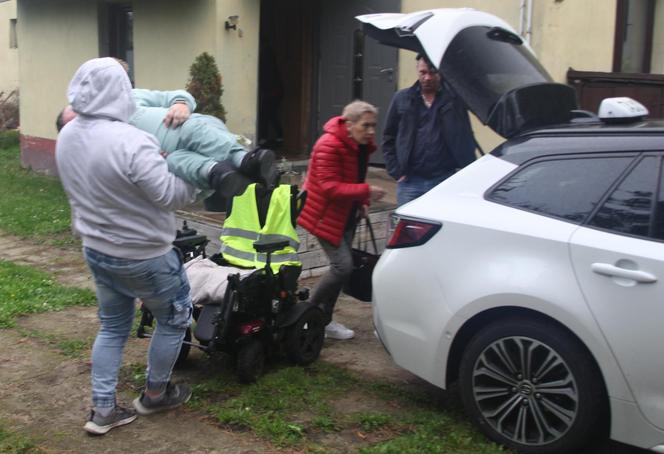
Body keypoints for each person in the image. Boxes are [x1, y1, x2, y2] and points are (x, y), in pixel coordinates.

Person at [56, 57, 198, 435]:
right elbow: (170, 195)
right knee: (173, 319)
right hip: (146, 256)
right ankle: (155, 395)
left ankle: (103, 410)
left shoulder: (68, 134)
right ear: (121, 90)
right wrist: (197, 177)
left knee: (113, 328)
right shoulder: (133, 141)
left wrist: (155, 166)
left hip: (97, 250)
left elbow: (112, 181)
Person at [57, 88, 277, 198]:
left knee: (190, 130)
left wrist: (181, 104)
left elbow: (174, 94)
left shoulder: (128, 98)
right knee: (175, 161)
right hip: (174, 159)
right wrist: (147, 160)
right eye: (76, 124)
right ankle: (221, 174)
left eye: (79, 114)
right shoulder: (101, 148)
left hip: (193, 129)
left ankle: (246, 160)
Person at [298, 100, 386, 340]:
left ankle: (323, 322)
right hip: (324, 215)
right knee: (343, 267)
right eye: (365, 125)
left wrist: (363, 203)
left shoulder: (360, 146)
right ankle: (306, 316)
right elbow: (329, 187)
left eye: (373, 126)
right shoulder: (328, 144)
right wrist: (365, 191)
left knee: (343, 271)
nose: (370, 132)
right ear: (349, 123)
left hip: (346, 215)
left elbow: (356, 176)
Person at [382, 53, 477, 206]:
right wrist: (396, 171)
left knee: (440, 225)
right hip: (410, 181)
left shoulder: (453, 101)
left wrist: (464, 173)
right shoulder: (402, 98)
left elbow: (465, 136)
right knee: (408, 227)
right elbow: (388, 137)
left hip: (443, 179)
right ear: (417, 71)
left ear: (440, 72)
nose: (427, 77)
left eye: (432, 72)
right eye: (423, 72)